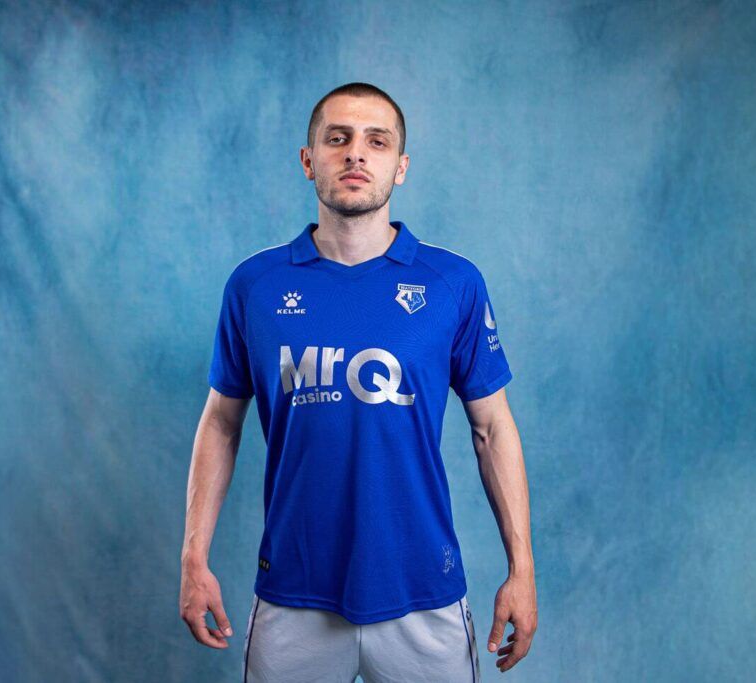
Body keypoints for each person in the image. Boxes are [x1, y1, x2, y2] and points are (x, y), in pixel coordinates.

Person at [180, 82, 537, 681]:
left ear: (400, 166)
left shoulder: (452, 283)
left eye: (376, 141)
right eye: (337, 138)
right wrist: (193, 558)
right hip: (294, 593)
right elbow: (220, 422)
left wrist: (521, 570)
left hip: (423, 593)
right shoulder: (255, 285)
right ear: (308, 159)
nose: (355, 154)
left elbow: (492, 428)